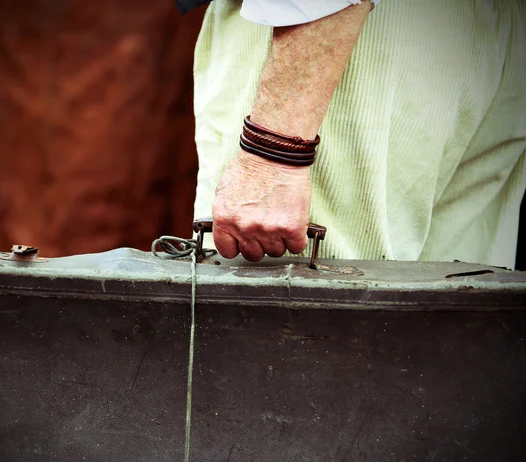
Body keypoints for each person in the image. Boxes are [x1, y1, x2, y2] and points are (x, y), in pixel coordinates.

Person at [180, 0, 526, 268]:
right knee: (451, 325)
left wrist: (275, 148)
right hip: (499, 32)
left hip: (336, 29)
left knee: (291, 331)